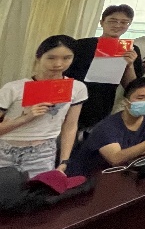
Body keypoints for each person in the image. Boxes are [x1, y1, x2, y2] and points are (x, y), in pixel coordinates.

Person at [0, 35, 86, 176]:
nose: (58, 64)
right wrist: (25, 118)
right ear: (39, 57)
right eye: (51, 58)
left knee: (37, 189)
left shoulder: (77, 88)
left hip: (43, 153)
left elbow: (70, 126)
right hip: (5, 150)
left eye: (66, 58)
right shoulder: (13, 88)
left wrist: (64, 161)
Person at [67, 77, 145, 175]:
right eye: (140, 98)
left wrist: (134, 152)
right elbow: (116, 158)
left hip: (124, 172)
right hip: (89, 177)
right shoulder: (106, 127)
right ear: (126, 101)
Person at [66, 4, 145, 130]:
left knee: (92, 134)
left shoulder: (131, 49)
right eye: (113, 21)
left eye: (124, 22)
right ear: (102, 22)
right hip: (74, 98)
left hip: (103, 102)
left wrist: (129, 65)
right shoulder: (82, 45)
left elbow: (131, 87)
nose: (118, 25)